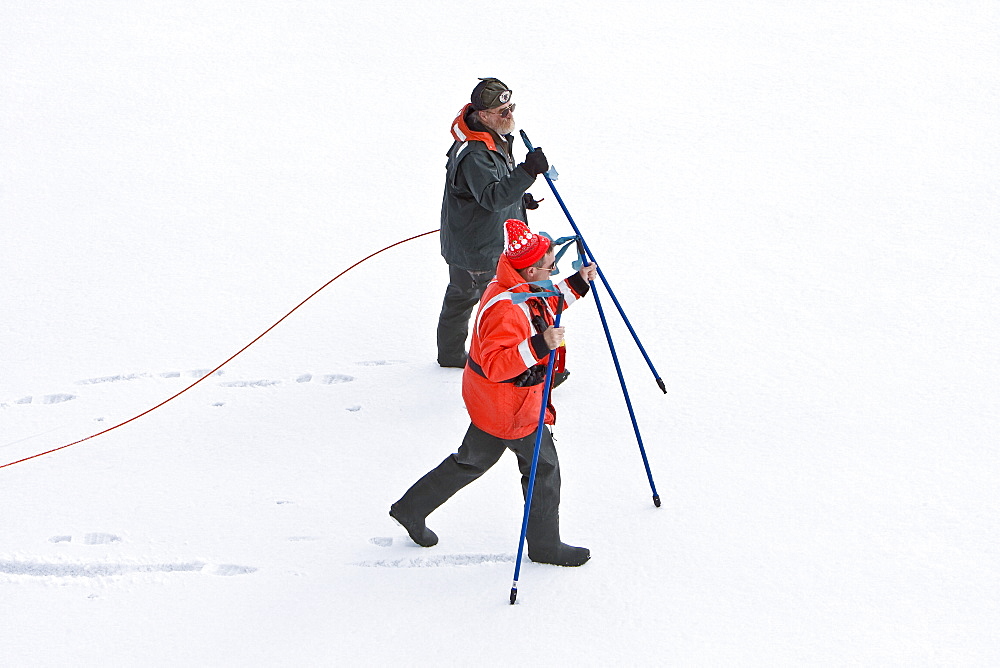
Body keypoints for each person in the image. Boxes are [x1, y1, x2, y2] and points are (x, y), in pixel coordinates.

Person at [392, 219, 597, 567]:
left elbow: (544, 301)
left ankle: (411, 508)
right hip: (511, 408)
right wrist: (539, 345)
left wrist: (577, 284)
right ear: (531, 270)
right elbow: (498, 364)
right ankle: (545, 546)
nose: (554, 271)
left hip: (492, 403)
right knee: (543, 468)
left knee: (472, 460)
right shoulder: (506, 309)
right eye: (551, 266)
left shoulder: (515, 285)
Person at [437, 77, 549, 369]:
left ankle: (451, 356)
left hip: (473, 240)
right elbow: (492, 197)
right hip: (478, 249)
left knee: (463, 297)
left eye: (511, 107)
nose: (509, 115)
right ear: (483, 115)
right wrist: (527, 172)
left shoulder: (489, 137)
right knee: (502, 306)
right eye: (503, 112)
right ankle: (506, 365)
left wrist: (519, 201)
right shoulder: (476, 153)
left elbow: (491, 191)